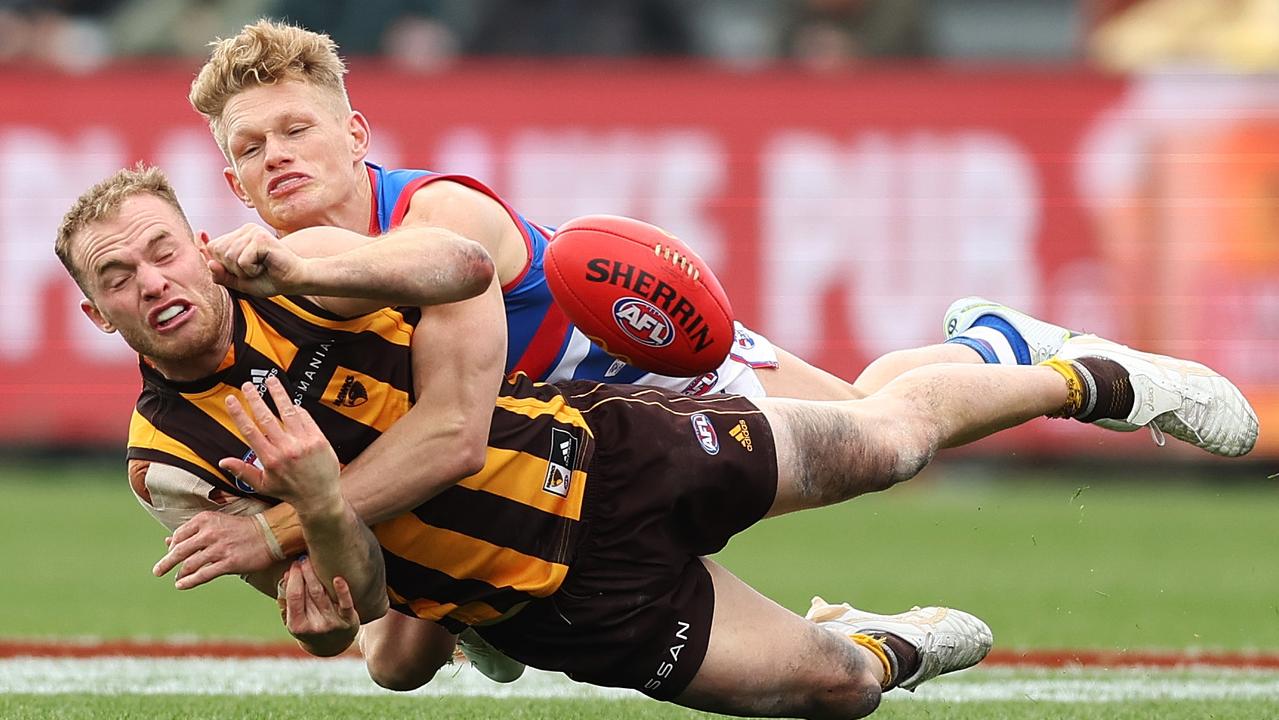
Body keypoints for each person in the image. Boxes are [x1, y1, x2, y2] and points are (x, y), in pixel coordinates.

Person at [57, 165, 1257, 717]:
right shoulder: (171, 460)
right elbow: (351, 603)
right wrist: (313, 516)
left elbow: (465, 268)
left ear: (198, 238)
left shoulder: (305, 265)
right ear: (93, 310)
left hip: (610, 451)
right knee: (829, 692)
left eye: (164, 248)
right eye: (121, 275)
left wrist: (304, 486)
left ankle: (1086, 376)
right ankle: (865, 640)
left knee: (883, 443)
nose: (155, 280)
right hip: (560, 604)